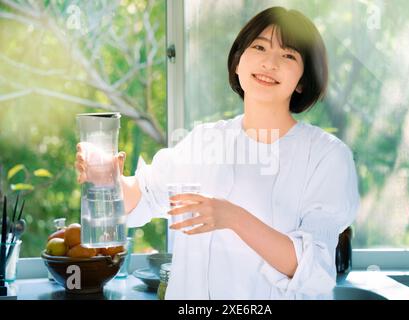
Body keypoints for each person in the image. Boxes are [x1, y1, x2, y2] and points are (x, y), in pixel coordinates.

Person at [75, 6, 359, 300]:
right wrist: (109, 177)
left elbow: (313, 271)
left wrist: (232, 217)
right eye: (259, 47)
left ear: (302, 81)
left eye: (288, 55)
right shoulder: (204, 140)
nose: (269, 62)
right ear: (237, 63)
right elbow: (145, 196)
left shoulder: (327, 157)